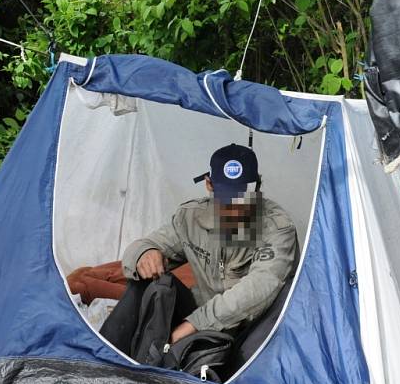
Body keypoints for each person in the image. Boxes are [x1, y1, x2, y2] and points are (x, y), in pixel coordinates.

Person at [100, 143, 299, 358]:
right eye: (226, 196)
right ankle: (103, 360)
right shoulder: (192, 218)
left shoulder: (276, 227)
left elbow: (261, 286)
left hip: (250, 330)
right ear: (209, 185)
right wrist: (144, 254)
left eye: (243, 196)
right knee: (148, 281)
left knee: (284, 302)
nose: (234, 204)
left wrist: (195, 324)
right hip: (198, 319)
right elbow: (148, 244)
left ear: (257, 188)